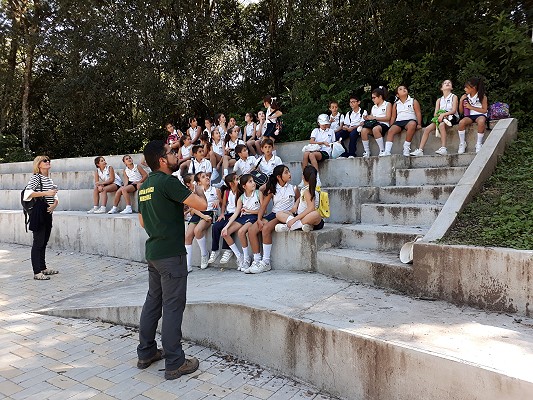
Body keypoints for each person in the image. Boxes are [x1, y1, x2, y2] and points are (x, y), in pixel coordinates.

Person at [136, 140, 206, 381]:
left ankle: (146, 353)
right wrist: (197, 187)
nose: (176, 155)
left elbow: (143, 221)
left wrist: (172, 211)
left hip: (154, 253)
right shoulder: (168, 181)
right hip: (171, 255)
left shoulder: (145, 186)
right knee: (173, 306)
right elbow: (202, 205)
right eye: (172, 153)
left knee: (153, 302)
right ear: (162, 160)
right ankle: (175, 362)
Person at [246, 165, 298, 274]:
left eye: (289, 172)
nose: (289, 174)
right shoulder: (273, 189)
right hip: (274, 214)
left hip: (284, 215)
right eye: (286, 172)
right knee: (251, 230)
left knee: (266, 229)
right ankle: (256, 260)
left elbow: (299, 203)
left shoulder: (294, 188)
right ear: (279, 177)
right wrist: (259, 219)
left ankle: (266, 262)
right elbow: (263, 206)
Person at [24, 155, 59, 280]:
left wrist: (54, 205)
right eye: (44, 161)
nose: (47, 162)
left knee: (44, 241)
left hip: (48, 212)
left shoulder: (49, 180)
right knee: (38, 242)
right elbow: (28, 193)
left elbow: (54, 196)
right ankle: (37, 272)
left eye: (48, 160)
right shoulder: (36, 178)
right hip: (38, 212)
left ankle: (43, 268)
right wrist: (46, 193)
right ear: (38, 165)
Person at [222, 174, 263, 272]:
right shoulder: (241, 198)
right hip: (244, 217)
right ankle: (239, 256)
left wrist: (249, 211)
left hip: (254, 217)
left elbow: (263, 211)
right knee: (225, 233)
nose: (253, 183)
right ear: (244, 186)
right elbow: (236, 213)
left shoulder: (258, 193)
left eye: (253, 181)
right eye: (250, 181)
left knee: (241, 232)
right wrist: (226, 227)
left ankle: (246, 258)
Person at [411, 80, 459, 156]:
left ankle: (443, 148)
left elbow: (453, 110)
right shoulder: (439, 100)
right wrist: (439, 116)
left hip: (451, 116)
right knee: (427, 129)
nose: (447, 83)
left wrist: (444, 114)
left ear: (452, 87)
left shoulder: (454, 97)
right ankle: (420, 150)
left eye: (449, 83)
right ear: (441, 88)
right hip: (440, 117)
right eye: (445, 83)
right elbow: (435, 113)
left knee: (441, 125)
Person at [184, 172, 220, 270]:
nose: (207, 177)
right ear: (199, 182)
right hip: (199, 214)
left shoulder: (215, 190)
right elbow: (193, 209)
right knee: (188, 236)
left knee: (197, 230)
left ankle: (204, 254)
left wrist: (218, 201)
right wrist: (202, 216)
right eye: (203, 177)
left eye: (207, 176)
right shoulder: (194, 193)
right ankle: (188, 265)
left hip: (209, 213)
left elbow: (222, 204)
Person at [275, 166, 324, 232]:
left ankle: (289, 227)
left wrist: (294, 219)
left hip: (309, 218)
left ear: (303, 177)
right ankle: (304, 225)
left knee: (315, 214)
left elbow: (311, 208)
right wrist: (295, 205)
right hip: (300, 217)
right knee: (279, 214)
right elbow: (300, 198)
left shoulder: (307, 191)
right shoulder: (305, 189)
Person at [208, 174, 239, 265]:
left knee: (226, 226)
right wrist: (222, 214)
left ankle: (228, 249)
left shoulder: (240, 191)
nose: (238, 181)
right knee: (216, 226)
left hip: (238, 214)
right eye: (236, 179)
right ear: (230, 183)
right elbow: (224, 205)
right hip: (228, 214)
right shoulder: (227, 192)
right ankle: (215, 250)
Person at [385, 85, 422, 156]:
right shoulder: (396, 104)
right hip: (399, 121)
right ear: (397, 95)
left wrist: (419, 124)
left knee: (412, 125)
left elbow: (418, 113)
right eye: (400, 89)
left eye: (405, 88)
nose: (403, 89)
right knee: (391, 130)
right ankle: (387, 151)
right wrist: (390, 125)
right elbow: (393, 116)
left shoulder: (413, 101)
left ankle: (406, 147)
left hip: (410, 120)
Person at [300, 114, 334, 187]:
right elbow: (311, 141)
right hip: (316, 149)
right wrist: (322, 142)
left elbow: (333, 142)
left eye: (325, 124)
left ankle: (317, 179)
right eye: (322, 124)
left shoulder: (331, 131)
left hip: (325, 151)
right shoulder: (315, 131)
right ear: (319, 123)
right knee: (306, 154)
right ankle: (304, 178)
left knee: (312, 155)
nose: (324, 125)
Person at [458, 77, 488, 154]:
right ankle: (462, 143)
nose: (465, 89)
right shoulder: (466, 97)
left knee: (481, 121)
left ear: (473, 88)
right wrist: (461, 101)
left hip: (480, 114)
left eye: (466, 87)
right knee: (461, 122)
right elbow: (461, 111)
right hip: (469, 115)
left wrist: (471, 107)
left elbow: (484, 110)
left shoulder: (482, 96)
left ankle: (479, 143)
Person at [361, 87, 391, 157]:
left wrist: (374, 118)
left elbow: (388, 118)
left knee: (375, 129)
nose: (373, 99)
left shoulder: (387, 104)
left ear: (380, 97)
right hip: (374, 124)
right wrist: (367, 118)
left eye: (374, 98)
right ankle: (367, 151)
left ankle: (382, 150)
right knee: (363, 130)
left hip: (383, 124)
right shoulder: (373, 107)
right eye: (372, 98)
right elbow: (371, 117)